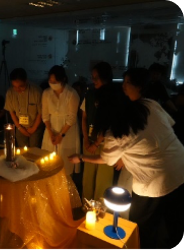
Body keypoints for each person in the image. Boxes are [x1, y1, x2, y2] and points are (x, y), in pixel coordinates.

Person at [69, 68, 184, 249]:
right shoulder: (149, 104)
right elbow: (169, 125)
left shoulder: (117, 130)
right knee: (173, 224)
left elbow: (106, 160)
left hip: (155, 181)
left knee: (142, 227)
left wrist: (81, 158)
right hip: (180, 167)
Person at [80, 61, 115, 202]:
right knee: (87, 178)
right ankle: (86, 206)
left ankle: (100, 211)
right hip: (89, 141)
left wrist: (96, 143)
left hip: (107, 144)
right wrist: (86, 140)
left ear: (105, 77)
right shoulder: (90, 94)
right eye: (92, 77)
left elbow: (110, 124)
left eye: (96, 77)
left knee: (103, 181)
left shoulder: (113, 96)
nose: (93, 80)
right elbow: (84, 117)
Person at [41, 65, 81, 176]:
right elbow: (45, 115)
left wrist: (60, 135)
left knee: (65, 161)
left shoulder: (72, 94)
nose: (52, 84)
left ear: (63, 79)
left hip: (67, 131)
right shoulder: (46, 93)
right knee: (49, 162)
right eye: (50, 81)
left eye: (55, 82)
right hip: (51, 129)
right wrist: (51, 133)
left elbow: (71, 118)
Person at [4, 68, 44, 148]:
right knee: (22, 150)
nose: (18, 89)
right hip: (20, 127)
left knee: (34, 150)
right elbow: (11, 112)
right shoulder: (10, 93)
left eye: (21, 86)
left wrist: (33, 128)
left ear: (26, 81)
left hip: (35, 126)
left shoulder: (36, 91)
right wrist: (19, 127)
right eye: (15, 86)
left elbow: (41, 113)